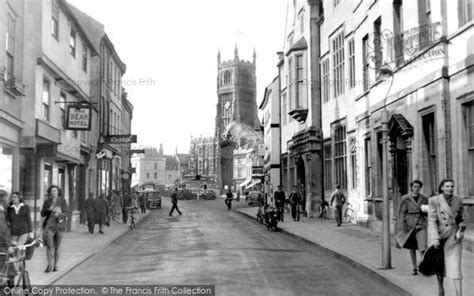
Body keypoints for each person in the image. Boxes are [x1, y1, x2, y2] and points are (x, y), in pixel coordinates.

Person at [428, 179, 466, 296]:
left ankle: (459, 294)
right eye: (447, 186)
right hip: (440, 237)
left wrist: (462, 225)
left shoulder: (458, 200)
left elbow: (461, 217)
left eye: (452, 186)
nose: (450, 188)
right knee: (440, 266)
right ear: (442, 187)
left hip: (454, 238)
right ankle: (440, 289)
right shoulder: (434, 200)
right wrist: (434, 238)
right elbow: (432, 220)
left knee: (456, 268)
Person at [396, 180, 428, 275]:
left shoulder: (424, 198)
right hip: (410, 224)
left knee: (422, 246)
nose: (416, 188)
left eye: (418, 187)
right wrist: (401, 225)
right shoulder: (405, 198)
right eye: (415, 186)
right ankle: (414, 267)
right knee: (412, 247)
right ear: (411, 188)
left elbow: (428, 211)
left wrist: (425, 211)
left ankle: (421, 264)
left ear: (420, 188)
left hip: (421, 223)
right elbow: (401, 212)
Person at [41, 185, 69, 273]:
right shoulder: (47, 201)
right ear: (49, 192)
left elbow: (67, 212)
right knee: (49, 246)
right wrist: (48, 209)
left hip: (59, 226)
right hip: (49, 226)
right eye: (52, 191)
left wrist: (60, 214)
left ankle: (55, 265)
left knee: (57, 247)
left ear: (58, 192)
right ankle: (49, 264)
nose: (53, 192)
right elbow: (42, 213)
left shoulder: (62, 201)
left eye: (55, 191)